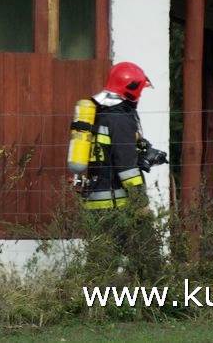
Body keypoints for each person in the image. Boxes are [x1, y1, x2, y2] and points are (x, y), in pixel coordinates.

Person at [78, 61, 166, 279]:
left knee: (101, 264)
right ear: (131, 90)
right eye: (140, 90)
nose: (140, 96)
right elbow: (126, 169)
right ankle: (158, 296)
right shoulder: (120, 119)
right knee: (149, 258)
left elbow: (109, 155)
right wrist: (140, 202)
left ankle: (87, 299)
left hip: (97, 200)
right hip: (118, 203)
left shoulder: (100, 114)